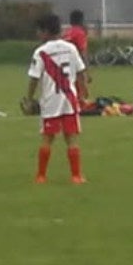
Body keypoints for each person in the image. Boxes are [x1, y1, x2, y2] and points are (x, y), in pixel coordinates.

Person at [25, 13, 89, 184]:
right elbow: (81, 71)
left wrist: (29, 98)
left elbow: (34, 78)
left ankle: (41, 176)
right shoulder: (70, 48)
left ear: (45, 31)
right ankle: (76, 176)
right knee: (71, 138)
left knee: (47, 138)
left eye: (38, 31)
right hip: (69, 100)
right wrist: (83, 92)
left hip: (51, 102)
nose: (37, 34)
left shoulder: (41, 52)